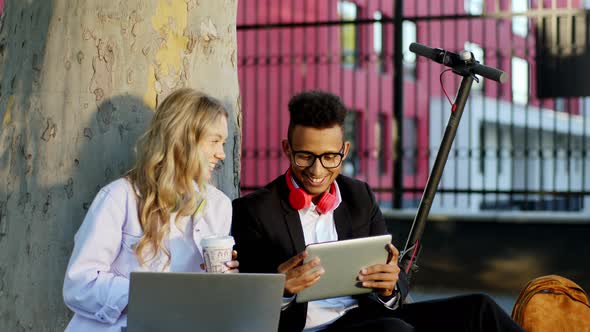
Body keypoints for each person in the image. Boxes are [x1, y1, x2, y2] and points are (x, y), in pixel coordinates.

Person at [231, 90, 523, 332]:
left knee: (480, 310)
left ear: (344, 150)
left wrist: (389, 289)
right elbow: (242, 304)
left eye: (330, 157)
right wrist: (281, 289)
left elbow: (395, 283)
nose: (317, 170)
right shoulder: (254, 211)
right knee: (394, 330)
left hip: (367, 317)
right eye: (305, 156)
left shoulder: (360, 196)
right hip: (308, 329)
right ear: (286, 149)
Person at [63, 88, 238, 332]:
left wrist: (224, 280)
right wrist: (149, 296)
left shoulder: (219, 206)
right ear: (183, 139)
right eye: (215, 141)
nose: (221, 154)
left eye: (224, 143)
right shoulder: (119, 197)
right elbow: (79, 284)